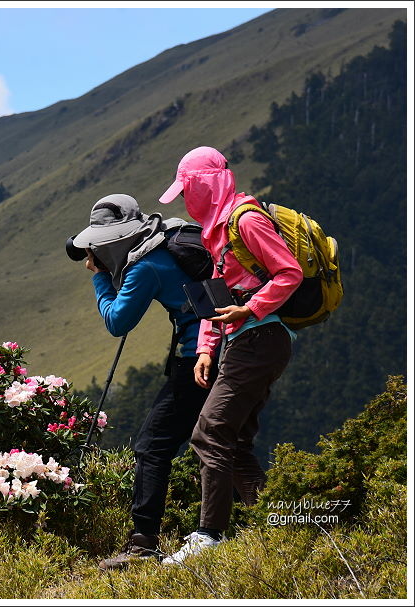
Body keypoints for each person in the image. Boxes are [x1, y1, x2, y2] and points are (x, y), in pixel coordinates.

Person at [157, 146, 303, 565]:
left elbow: (288, 272)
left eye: (188, 191)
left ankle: (209, 535)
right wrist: (205, 350)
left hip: (262, 339)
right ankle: (279, 531)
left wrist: (252, 308)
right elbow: (217, 298)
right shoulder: (217, 232)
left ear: (205, 185)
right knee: (234, 442)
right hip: (245, 342)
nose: (186, 200)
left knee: (209, 433)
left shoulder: (246, 220)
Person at [71, 193, 214, 570]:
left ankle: (143, 546)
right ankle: (266, 517)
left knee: (152, 446)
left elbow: (118, 322)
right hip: (229, 347)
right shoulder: (168, 235)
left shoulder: (144, 267)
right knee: (225, 440)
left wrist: (102, 279)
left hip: (198, 357)